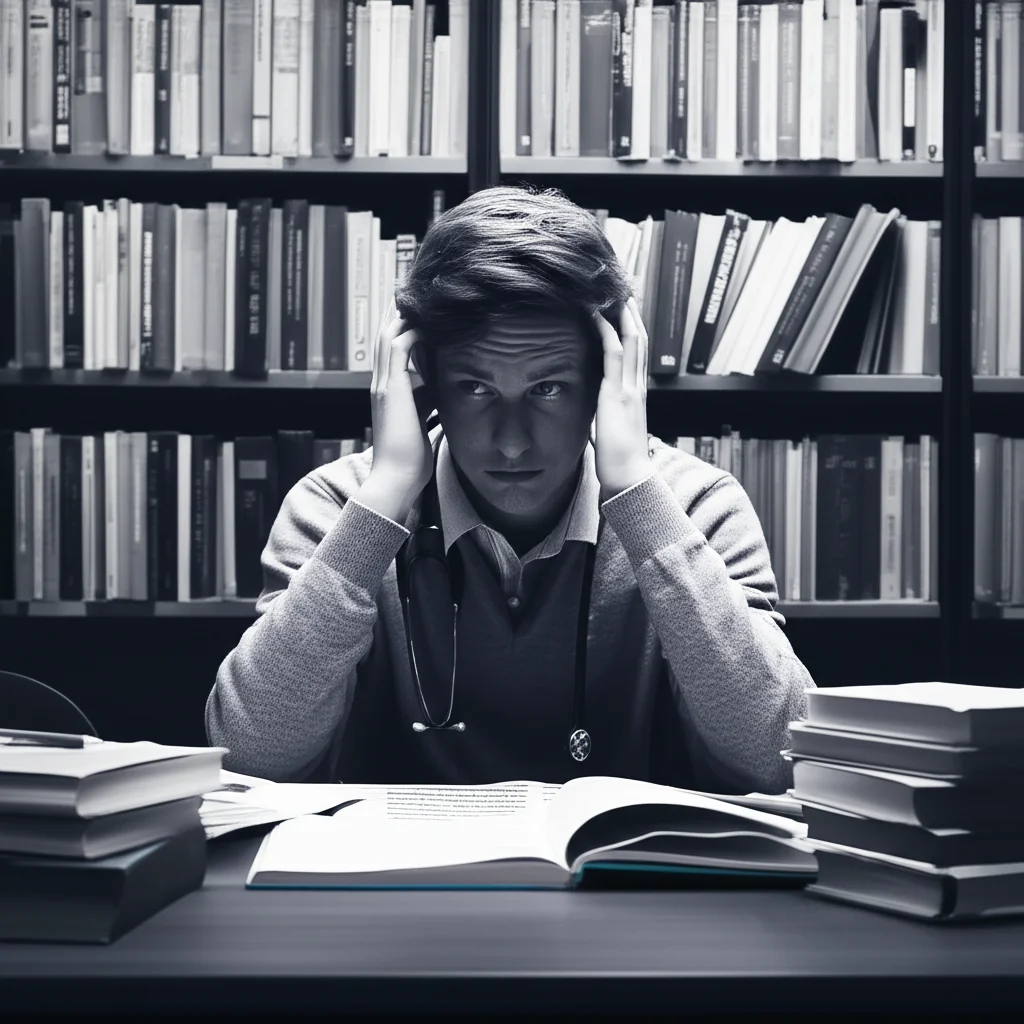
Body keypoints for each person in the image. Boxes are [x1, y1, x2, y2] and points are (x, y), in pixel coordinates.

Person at [205, 185, 815, 792]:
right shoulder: (340, 506)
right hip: (396, 886)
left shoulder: (694, 505)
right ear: (427, 386)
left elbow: (780, 756)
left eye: (548, 389)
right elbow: (248, 757)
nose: (513, 442)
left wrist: (635, 496)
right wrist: (385, 498)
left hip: (629, 882)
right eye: (476, 389)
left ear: (608, 383)